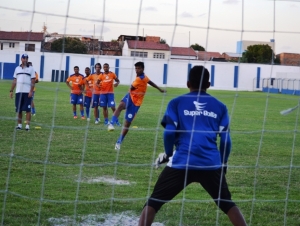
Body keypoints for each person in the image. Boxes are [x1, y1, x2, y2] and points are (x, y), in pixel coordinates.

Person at [138, 66, 247, 226]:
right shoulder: (220, 106)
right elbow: (226, 141)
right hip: (210, 164)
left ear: (188, 83)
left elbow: (168, 133)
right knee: (227, 204)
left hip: (182, 162)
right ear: (208, 84)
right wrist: (223, 163)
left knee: (153, 203)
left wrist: (168, 154)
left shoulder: (176, 102)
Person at [107, 61, 166, 151]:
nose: (137, 70)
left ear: (143, 69)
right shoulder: (143, 77)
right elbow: (150, 82)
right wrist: (160, 89)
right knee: (120, 105)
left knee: (127, 124)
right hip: (130, 96)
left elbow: (132, 87)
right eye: (136, 68)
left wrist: (159, 89)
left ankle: (119, 142)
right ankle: (111, 123)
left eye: (139, 68)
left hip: (136, 103)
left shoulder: (141, 79)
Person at [9, 53, 36, 131]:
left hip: (27, 92)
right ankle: (19, 125)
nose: (25, 60)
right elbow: (15, 80)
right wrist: (11, 90)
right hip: (18, 92)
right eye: (24, 58)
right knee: (19, 109)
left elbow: (33, 80)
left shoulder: (31, 69)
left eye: (26, 58)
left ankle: (27, 126)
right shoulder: (17, 68)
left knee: (28, 110)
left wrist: (31, 91)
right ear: (21, 59)